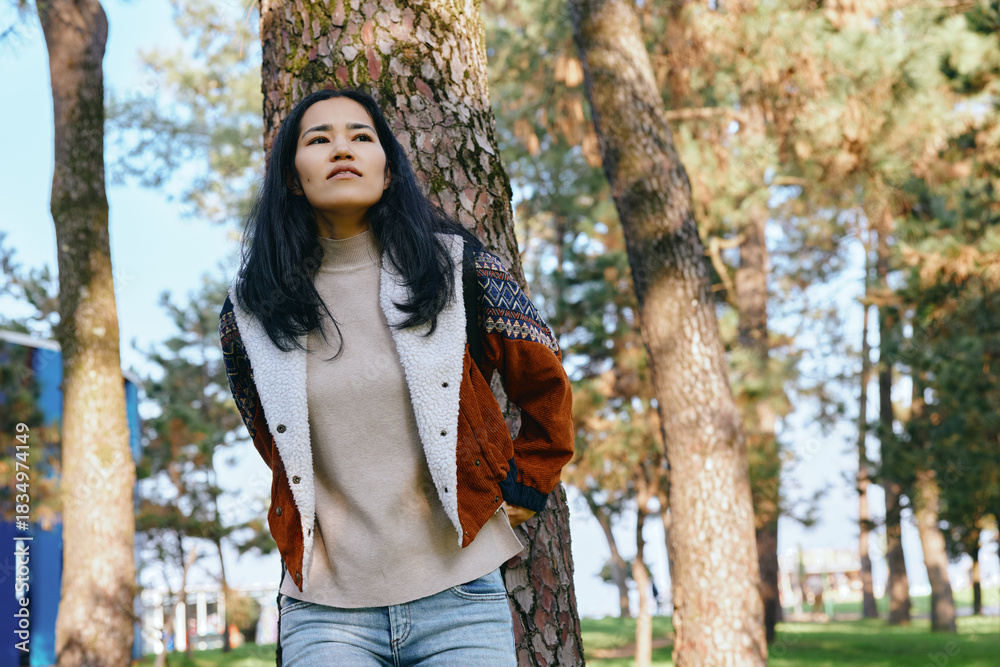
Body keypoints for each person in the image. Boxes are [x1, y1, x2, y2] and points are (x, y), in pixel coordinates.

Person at [218, 87, 575, 666]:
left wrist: (527, 484)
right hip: (324, 609)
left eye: (362, 137)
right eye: (319, 139)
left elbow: (544, 377)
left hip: (460, 594)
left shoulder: (459, 270)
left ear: (387, 173)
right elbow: (267, 429)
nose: (342, 148)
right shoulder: (249, 311)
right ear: (291, 176)